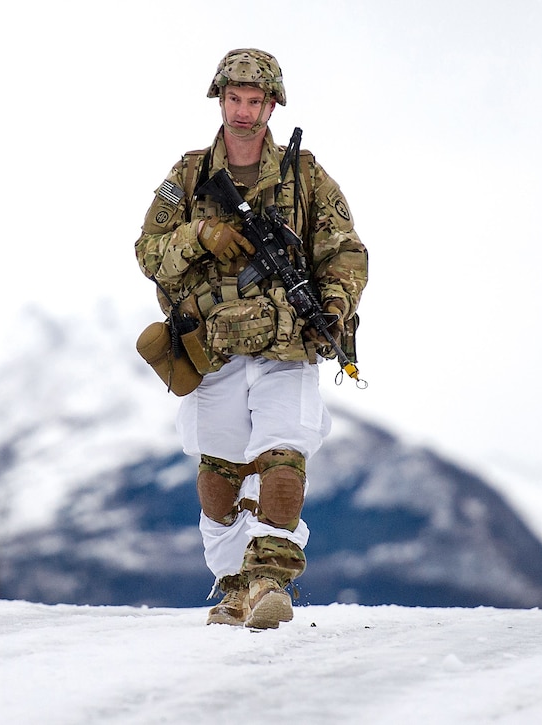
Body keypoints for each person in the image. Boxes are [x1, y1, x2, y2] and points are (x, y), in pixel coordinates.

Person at [135, 48, 368, 629]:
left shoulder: (306, 176)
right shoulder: (188, 176)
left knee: (284, 454)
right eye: (234, 100)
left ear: (272, 105)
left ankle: (270, 579)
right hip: (211, 350)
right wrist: (200, 234)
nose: (244, 112)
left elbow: (344, 250)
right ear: (220, 99)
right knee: (218, 475)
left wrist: (335, 305)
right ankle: (236, 582)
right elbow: (149, 254)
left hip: (285, 347)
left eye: (255, 101)